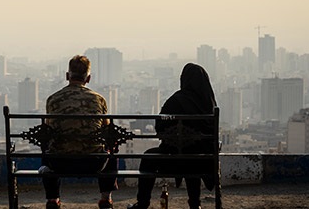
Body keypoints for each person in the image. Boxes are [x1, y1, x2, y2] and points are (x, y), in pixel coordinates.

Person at [128, 63, 217, 209]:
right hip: (202, 162)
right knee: (192, 158)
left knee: (148, 157)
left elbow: (160, 127)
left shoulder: (176, 100)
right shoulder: (209, 104)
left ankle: (143, 203)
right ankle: (195, 204)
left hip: (173, 159)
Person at [42, 55, 117, 209]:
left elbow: (49, 129)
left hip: (59, 163)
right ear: (88, 78)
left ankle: (53, 199)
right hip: (93, 163)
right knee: (111, 146)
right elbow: (106, 129)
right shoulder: (99, 100)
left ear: (67, 76)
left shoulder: (53, 99)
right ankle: (105, 198)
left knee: (47, 144)